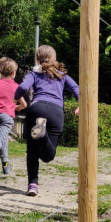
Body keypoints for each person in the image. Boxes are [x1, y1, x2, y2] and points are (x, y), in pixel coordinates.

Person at [14, 45, 79, 197]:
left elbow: (23, 86)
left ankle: (33, 185)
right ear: (54, 59)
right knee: (48, 156)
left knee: (32, 152)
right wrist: (80, 105)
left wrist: (16, 98)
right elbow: (76, 88)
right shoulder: (62, 75)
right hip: (56, 112)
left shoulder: (34, 73)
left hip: (36, 109)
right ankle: (42, 134)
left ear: (37, 59)